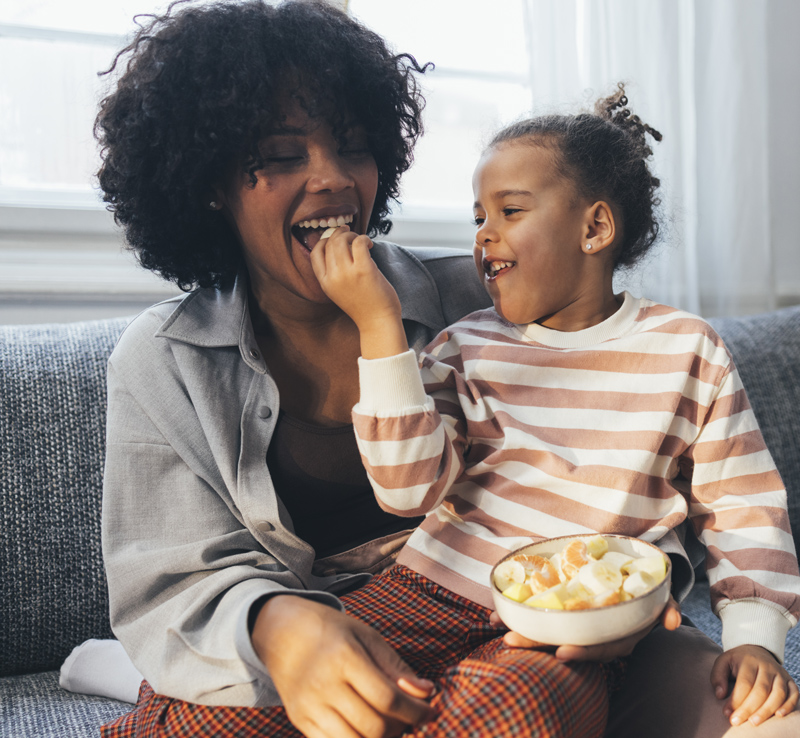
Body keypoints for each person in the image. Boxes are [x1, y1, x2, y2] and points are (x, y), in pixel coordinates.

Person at [92, 1, 792, 736]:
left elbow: (644, 461)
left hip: (539, 635)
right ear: (209, 181)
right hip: (382, 613)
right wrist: (279, 627)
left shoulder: (491, 297)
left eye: (354, 146)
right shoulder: (165, 361)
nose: (332, 178)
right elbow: (171, 582)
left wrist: (630, 594)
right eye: (283, 154)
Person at [311, 84, 800, 734]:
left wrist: (755, 641)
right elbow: (406, 491)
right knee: (254, 697)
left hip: (574, 626)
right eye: (478, 217)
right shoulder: (464, 346)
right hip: (427, 593)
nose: (484, 235)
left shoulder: (688, 349)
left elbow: (743, 508)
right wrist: (379, 326)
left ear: (594, 228)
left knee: (509, 709)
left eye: (509, 211)